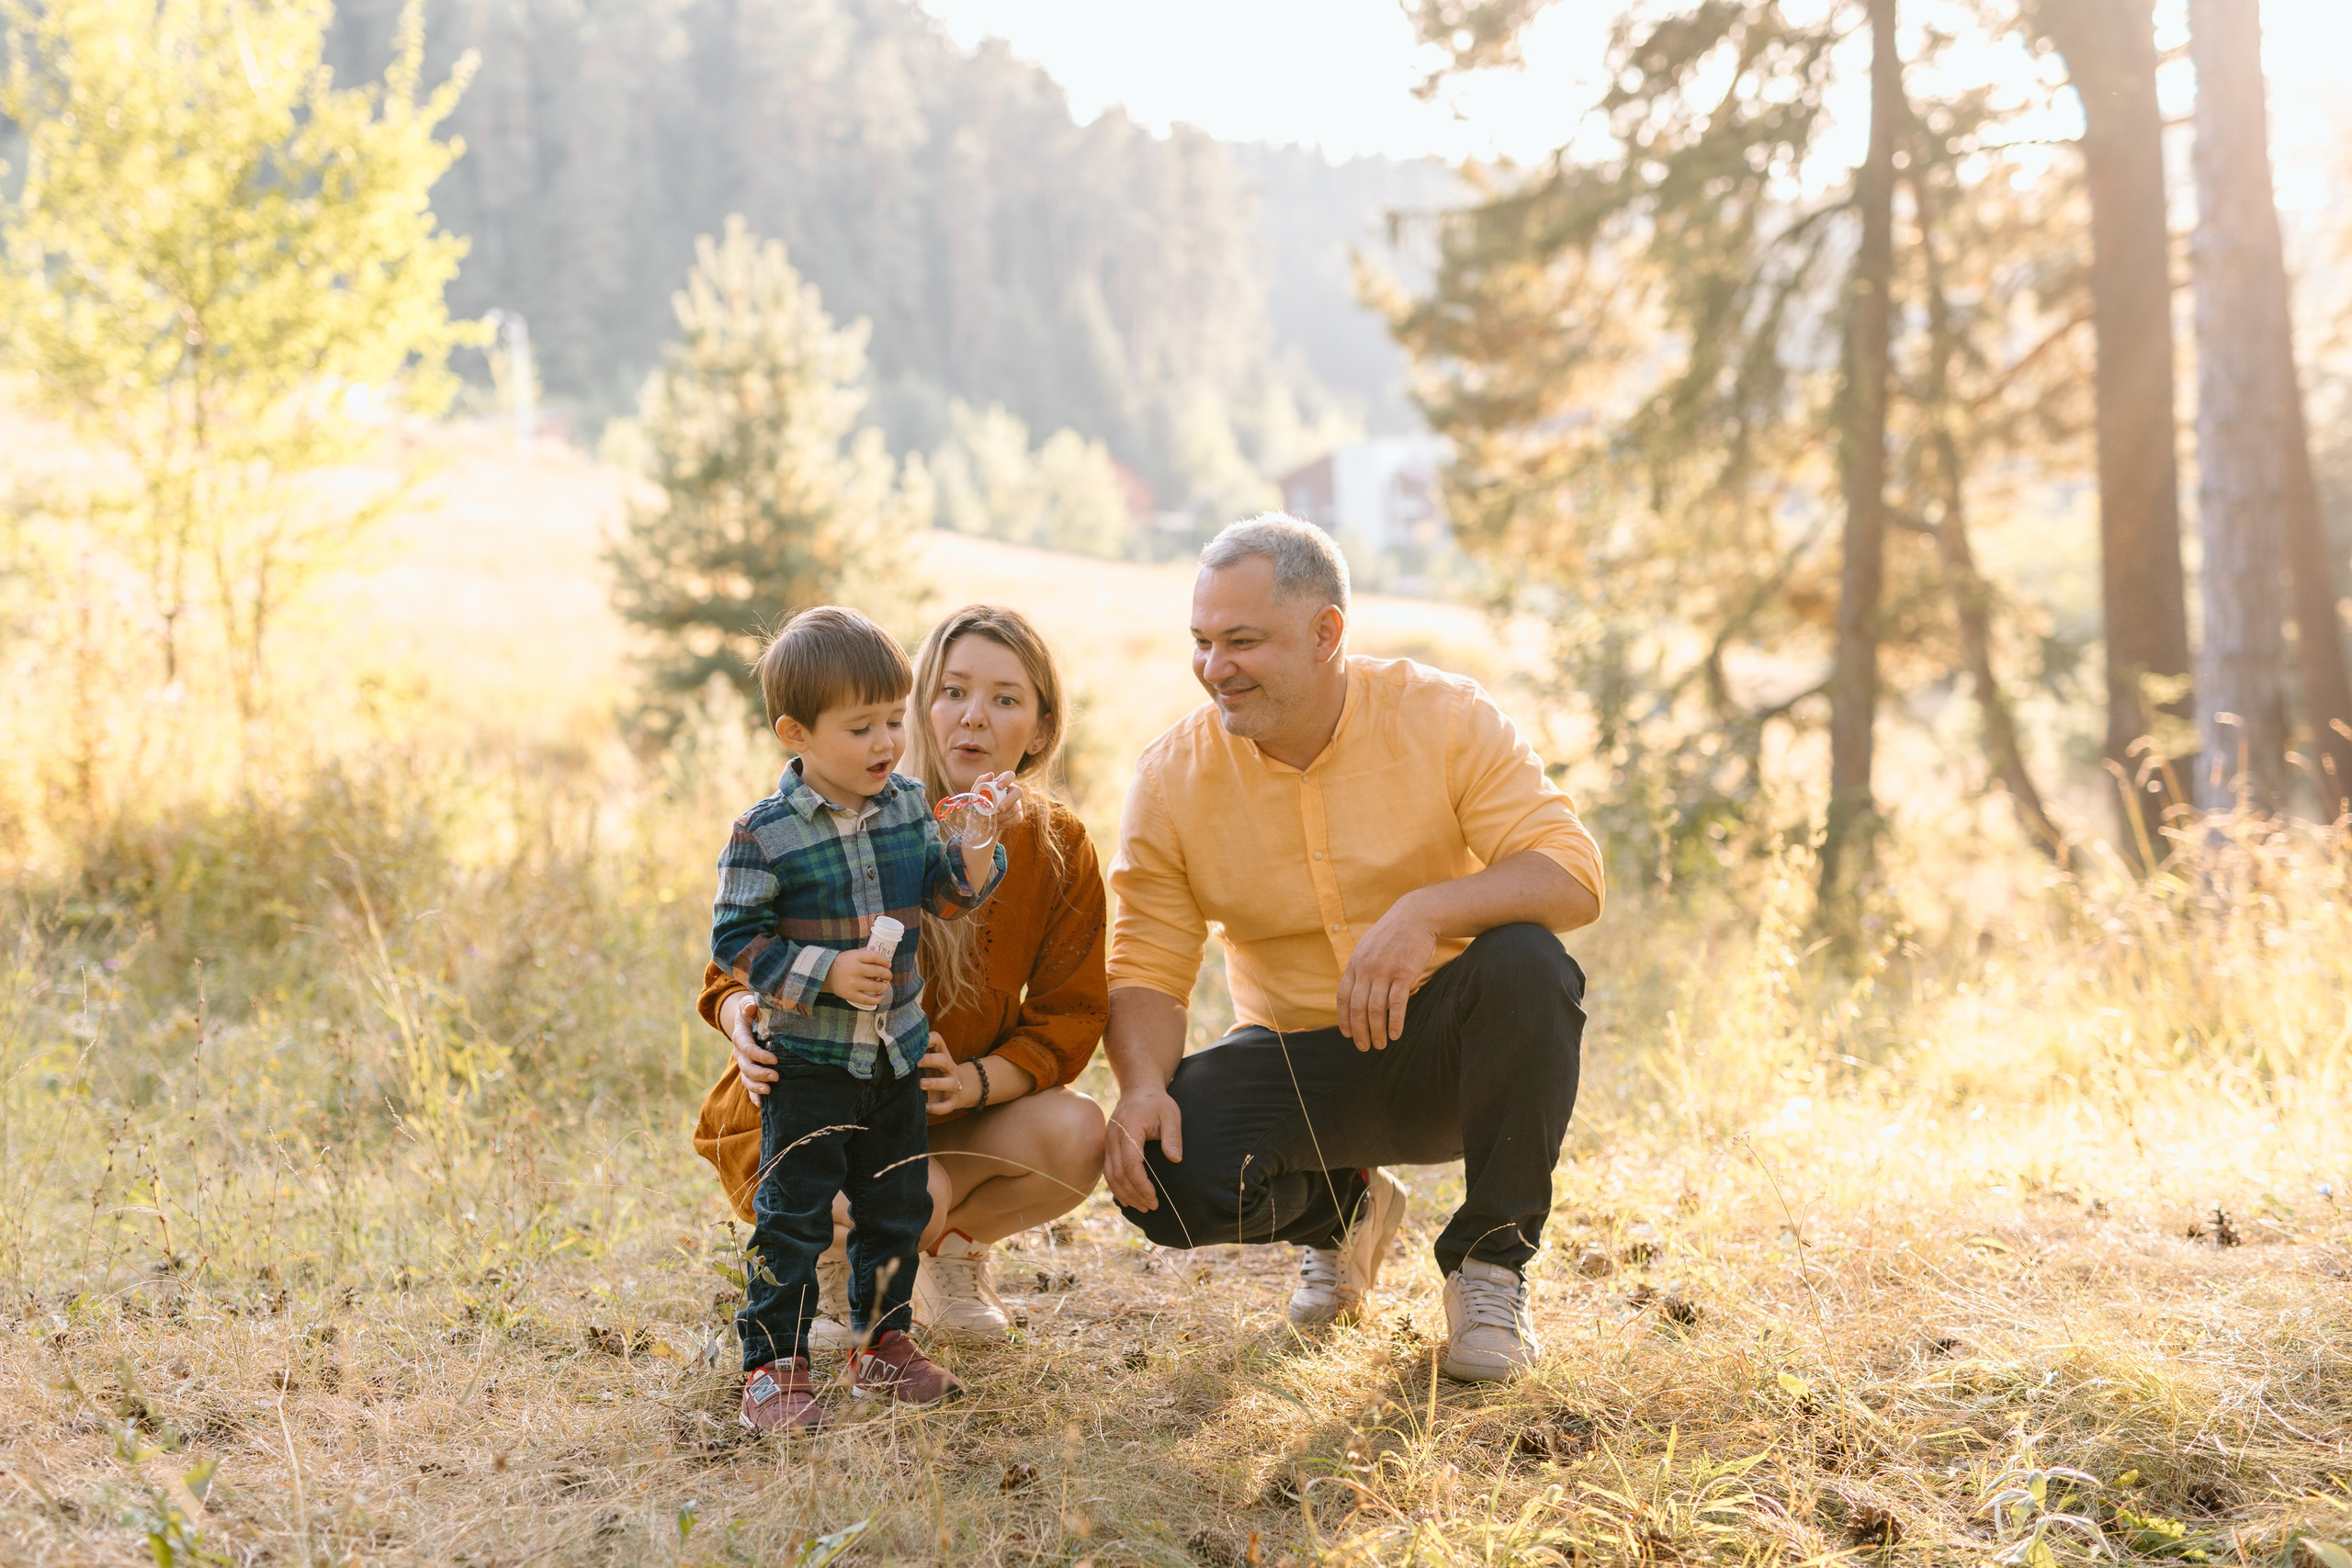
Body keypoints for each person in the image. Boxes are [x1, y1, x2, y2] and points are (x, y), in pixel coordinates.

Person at [1101, 514, 1603, 1383]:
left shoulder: (1443, 717)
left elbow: (1572, 874)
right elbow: (1146, 962)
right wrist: (1142, 1085)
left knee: (1528, 960)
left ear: (1327, 632)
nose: (1216, 668)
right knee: (1162, 1169)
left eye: (1244, 640)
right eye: (1204, 641)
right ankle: (1343, 1211)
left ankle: (1489, 1269)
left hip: (1452, 1057)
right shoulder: (1171, 776)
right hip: (1301, 1064)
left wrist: (1428, 911)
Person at [695, 605, 1109, 1348]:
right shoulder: (847, 807)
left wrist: (976, 1082)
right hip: (820, 1098)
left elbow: (1071, 1015)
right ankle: (829, 1266)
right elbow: (733, 960)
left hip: (939, 1114)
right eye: (952, 691)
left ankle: (951, 1254)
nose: (972, 718)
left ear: (1041, 729)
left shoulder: (1058, 846)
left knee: (1079, 1132)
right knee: (910, 1188)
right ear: (920, 704)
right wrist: (740, 1020)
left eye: (1005, 699)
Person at [712, 605, 1014, 1433]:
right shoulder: (765, 836)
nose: (887, 743)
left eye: (893, 721)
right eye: (862, 728)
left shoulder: (909, 806)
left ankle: (883, 1345)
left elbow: (946, 894)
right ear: (796, 732)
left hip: (895, 1061)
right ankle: (773, 1365)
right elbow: (734, 940)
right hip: (810, 1064)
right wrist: (825, 972)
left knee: (896, 1209)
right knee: (795, 1218)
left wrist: (979, 848)